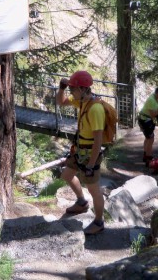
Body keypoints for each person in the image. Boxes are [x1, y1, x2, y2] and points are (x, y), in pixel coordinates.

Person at [56, 70, 105, 235]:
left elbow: (98, 140)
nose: (71, 92)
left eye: (72, 89)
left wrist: (91, 164)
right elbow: (61, 102)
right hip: (79, 149)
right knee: (66, 175)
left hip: (90, 153)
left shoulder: (95, 109)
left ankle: (99, 221)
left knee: (94, 189)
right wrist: (62, 88)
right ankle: (82, 203)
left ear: (83, 89)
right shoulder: (82, 102)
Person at [138, 84, 158, 165]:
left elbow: (157, 106)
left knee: (147, 138)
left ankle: (145, 155)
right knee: (150, 139)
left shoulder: (155, 98)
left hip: (145, 119)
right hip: (145, 120)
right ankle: (148, 157)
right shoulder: (152, 100)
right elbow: (153, 114)